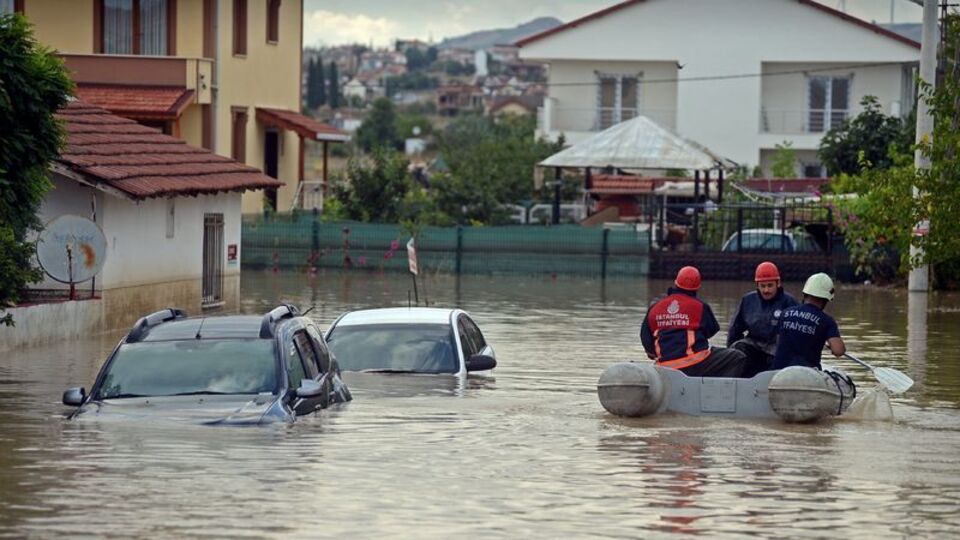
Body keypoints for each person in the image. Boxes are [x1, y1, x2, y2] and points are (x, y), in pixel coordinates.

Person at [640, 266, 746, 377]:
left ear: (676, 283)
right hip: (696, 364)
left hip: (664, 367)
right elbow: (711, 331)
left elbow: (646, 340)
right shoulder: (700, 306)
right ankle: (717, 390)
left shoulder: (655, 308)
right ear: (696, 288)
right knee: (737, 357)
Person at [727, 262, 798, 377]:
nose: (766, 290)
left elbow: (797, 335)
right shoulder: (747, 300)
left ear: (778, 283)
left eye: (770, 286)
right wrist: (730, 353)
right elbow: (735, 329)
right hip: (754, 344)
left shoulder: (790, 302)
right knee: (737, 348)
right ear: (757, 285)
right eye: (763, 286)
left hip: (777, 348)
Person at [771, 273, 846, 370]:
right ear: (826, 299)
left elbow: (778, 341)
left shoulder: (785, 313)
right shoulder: (827, 321)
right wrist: (831, 345)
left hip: (778, 374)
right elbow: (839, 350)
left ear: (805, 293)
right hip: (807, 377)